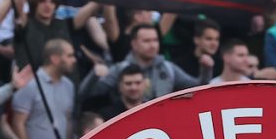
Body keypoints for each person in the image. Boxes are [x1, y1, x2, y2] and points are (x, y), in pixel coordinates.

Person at [80, 24, 210, 107]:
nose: (152, 45)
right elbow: (87, 94)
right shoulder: (120, 69)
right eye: (147, 41)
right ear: (134, 44)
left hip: (163, 124)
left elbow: (198, 89)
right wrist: (94, 75)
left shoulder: (168, 68)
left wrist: (206, 69)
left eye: (155, 40)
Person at [12, 39, 75, 139]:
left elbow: (68, 120)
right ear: (55, 58)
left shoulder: (69, 86)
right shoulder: (31, 84)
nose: (74, 60)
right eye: (69, 56)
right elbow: (18, 122)